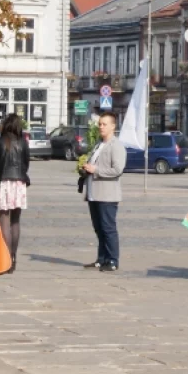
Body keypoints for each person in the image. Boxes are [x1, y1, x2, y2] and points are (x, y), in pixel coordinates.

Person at [81, 112, 126, 272]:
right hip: (94, 193)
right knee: (99, 228)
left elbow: (118, 170)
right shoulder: (98, 145)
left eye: (104, 124)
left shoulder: (116, 146)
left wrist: (96, 170)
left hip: (107, 194)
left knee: (108, 228)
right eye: (100, 124)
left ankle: (113, 260)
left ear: (113, 126)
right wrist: (85, 167)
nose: (101, 127)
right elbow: (93, 163)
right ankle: (101, 259)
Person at [0, 114, 29, 273]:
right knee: (15, 221)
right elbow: (26, 163)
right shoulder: (23, 142)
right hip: (19, 182)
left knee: (4, 220)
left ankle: (5, 259)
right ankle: (13, 257)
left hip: (2, 182)